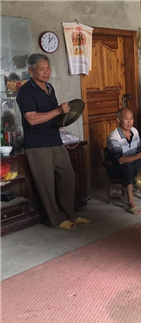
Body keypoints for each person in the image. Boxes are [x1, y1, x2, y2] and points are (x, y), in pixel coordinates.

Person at [16, 53, 91, 230]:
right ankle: (56, 219)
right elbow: (32, 119)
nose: (46, 72)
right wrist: (58, 111)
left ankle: (71, 214)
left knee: (68, 177)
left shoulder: (49, 88)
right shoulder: (25, 91)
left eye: (48, 68)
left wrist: (62, 122)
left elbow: (53, 117)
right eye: (41, 69)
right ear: (31, 71)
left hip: (55, 140)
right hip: (38, 145)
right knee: (46, 185)